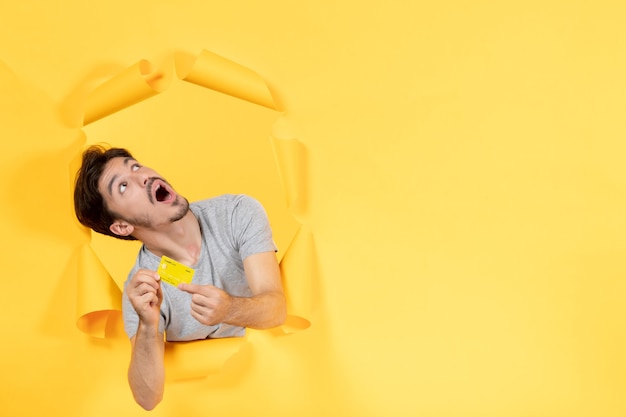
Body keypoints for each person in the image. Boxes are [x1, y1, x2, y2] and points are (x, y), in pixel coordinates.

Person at [73, 145, 286, 410]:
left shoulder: (236, 213)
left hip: (276, 392)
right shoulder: (142, 291)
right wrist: (148, 326)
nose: (143, 176)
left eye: (136, 166)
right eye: (124, 186)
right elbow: (147, 398)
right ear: (122, 226)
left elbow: (276, 309)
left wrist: (229, 309)